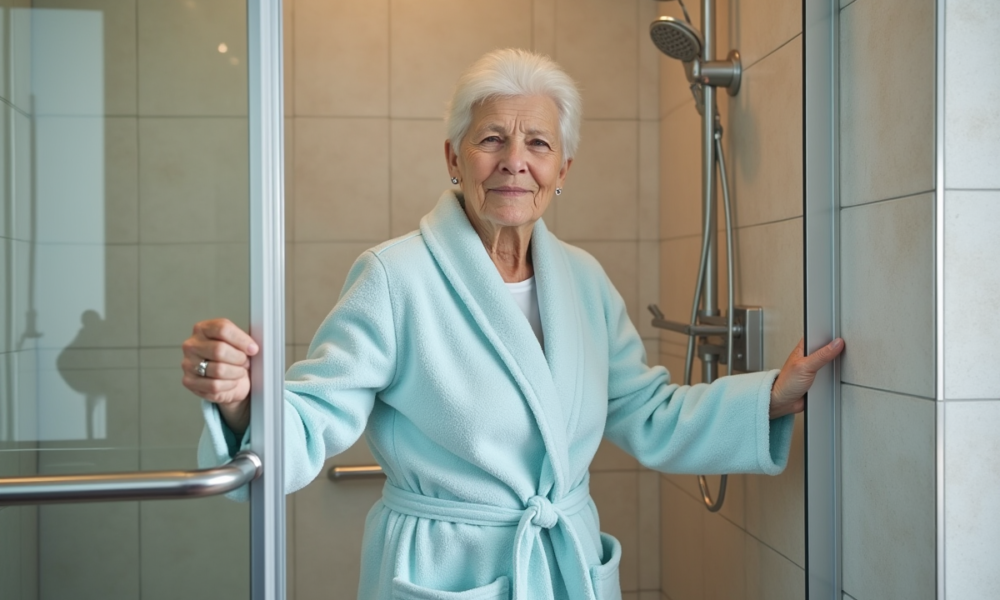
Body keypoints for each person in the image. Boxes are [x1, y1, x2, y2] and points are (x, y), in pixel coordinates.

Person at [181, 48, 844, 600]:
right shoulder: (395, 276)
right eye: (492, 139)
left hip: (562, 559)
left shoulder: (584, 280)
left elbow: (647, 412)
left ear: (562, 170)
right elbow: (314, 415)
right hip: (446, 564)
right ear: (453, 158)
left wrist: (769, 398)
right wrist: (241, 401)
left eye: (538, 144)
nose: (514, 161)